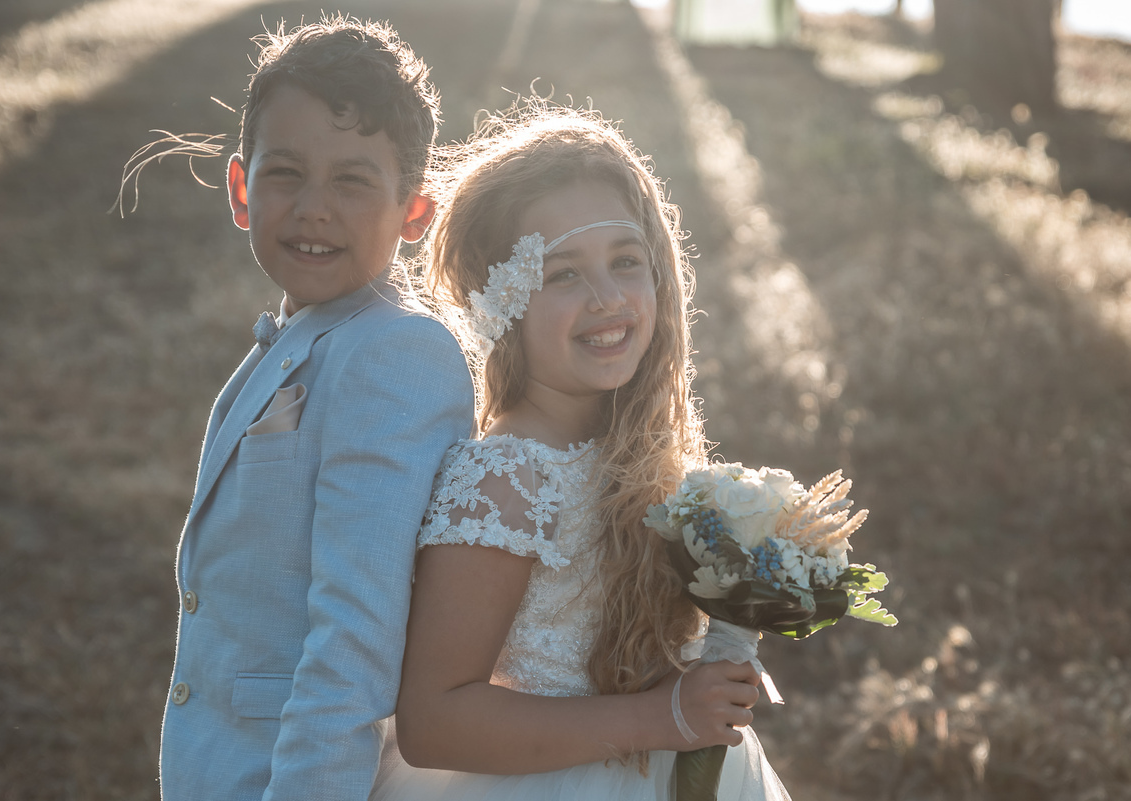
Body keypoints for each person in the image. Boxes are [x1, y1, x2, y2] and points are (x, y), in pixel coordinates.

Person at [371, 103, 790, 800]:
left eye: (626, 262)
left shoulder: (639, 454)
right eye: (563, 274)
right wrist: (663, 715)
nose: (607, 298)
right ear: (503, 301)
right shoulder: (506, 475)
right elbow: (432, 719)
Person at [156, 16, 474, 801]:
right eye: (286, 173)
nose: (314, 208)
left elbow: (353, 644)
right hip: (220, 766)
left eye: (353, 181)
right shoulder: (295, 339)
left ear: (414, 213)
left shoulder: (396, 354)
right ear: (241, 187)